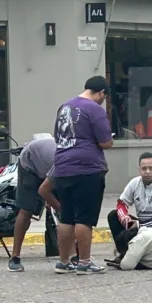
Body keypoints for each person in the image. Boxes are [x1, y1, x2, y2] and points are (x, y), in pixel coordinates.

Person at [51, 75, 114, 275]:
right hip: (86, 168)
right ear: (101, 93)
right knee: (84, 218)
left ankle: (63, 262)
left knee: (66, 217)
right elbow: (105, 142)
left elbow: (58, 137)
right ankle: (84, 262)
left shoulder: (64, 107)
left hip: (62, 167)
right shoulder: (95, 109)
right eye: (104, 97)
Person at [106, 152, 152, 261]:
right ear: (139, 170)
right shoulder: (134, 183)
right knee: (113, 216)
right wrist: (124, 218)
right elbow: (121, 203)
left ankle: (146, 257)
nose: (147, 171)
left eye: (151, 168)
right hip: (142, 225)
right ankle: (125, 254)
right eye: (144, 168)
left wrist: (140, 225)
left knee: (136, 233)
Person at [7, 137, 64, 272]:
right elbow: (43, 191)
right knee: (27, 210)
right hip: (30, 162)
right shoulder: (63, 162)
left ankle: (69, 257)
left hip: (47, 164)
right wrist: (58, 207)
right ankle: (15, 257)